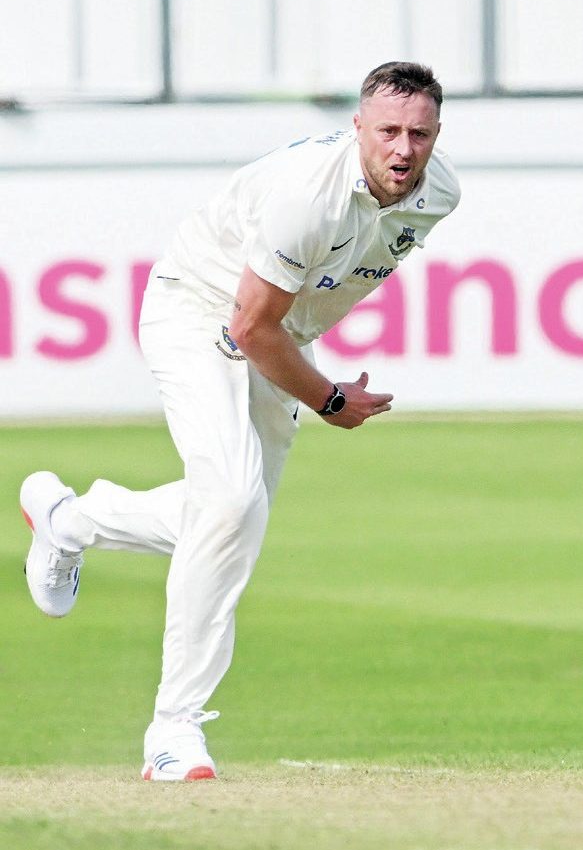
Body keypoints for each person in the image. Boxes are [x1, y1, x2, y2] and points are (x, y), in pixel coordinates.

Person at [19, 61, 460, 781]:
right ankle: (173, 729)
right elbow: (249, 326)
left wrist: (305, 368)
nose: (403, 149)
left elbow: (287, 315)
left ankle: (72, 520)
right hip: (200, 310)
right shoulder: (308, 199)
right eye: (388, 131)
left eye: (420, 134)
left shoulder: (440, 194)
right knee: (230, 502)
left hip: (277, 333)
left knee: (232, 518)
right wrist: (328, 399)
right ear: (357, 127)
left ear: (438, 134)